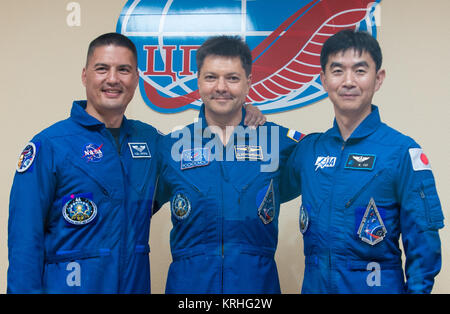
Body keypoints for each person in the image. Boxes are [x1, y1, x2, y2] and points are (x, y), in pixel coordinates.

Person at [7, 32, 265, 294]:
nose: (112, 79)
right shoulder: (51, 145)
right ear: (85, 75)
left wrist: (241, 111)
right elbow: (24, 243)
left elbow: (202, 159)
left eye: (124, 70)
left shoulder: (152, 142)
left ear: (136, 79)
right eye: (102, 69)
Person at [284, 29, 444, 293]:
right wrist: (245, 114)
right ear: (323, 80)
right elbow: (260, 182)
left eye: (360, 71)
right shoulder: (309, 151)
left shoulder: (401, 152)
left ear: (378, 79)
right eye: (337, 71)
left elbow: (423, 244)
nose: (348, 81)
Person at [156, 35, 304, 293]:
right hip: (189, 289)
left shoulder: (279, 142)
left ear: (248, 83)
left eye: (232, 78)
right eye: (211, 77)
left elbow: (329, 156)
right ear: (198, 81)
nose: (221, 87)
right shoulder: (170, 148)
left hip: (256, 288)